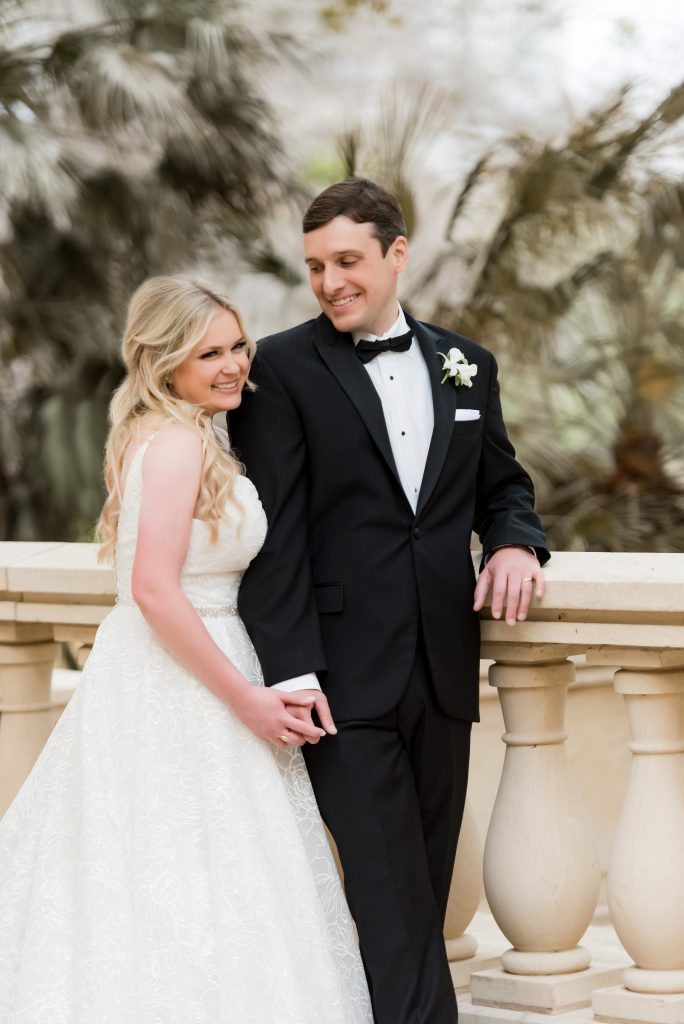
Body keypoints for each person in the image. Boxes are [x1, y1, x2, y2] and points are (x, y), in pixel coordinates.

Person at [0, 276, 373, 1024]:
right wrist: (247, 698)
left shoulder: (193, 431)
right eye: (210, 354)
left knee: (209, 874)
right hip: (183, 677)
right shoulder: (173, 443)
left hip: (197, 657)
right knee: (178, 870)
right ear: (164, 361)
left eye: (239, 346)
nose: (234, 365)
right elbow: (154, 590)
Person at [229, 178, 550, 1024]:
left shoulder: (466, 364)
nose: (329, 281)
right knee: (387, 894)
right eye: (314, 267)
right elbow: (276, 534)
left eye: (346, 261)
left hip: (444, 671)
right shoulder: (281, 368)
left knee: (426, 891)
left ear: (395, 254)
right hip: (339, 678)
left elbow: (503, 486)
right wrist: (292, 668)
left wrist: (516, 540)